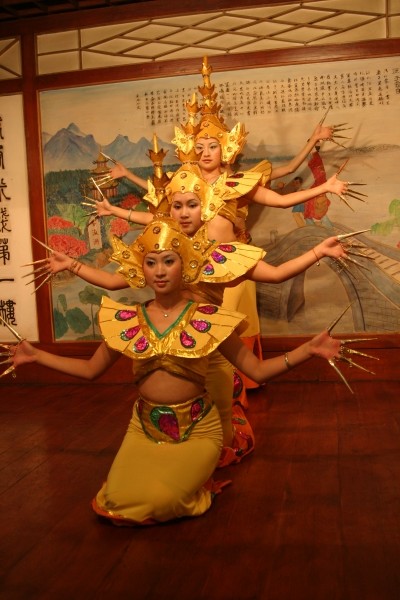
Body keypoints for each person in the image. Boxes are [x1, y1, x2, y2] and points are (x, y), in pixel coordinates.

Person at [3, 218, 354, 527]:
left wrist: (307, 350)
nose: (159, 271)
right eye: (151, 262)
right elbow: (90, 369)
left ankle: (199, 485)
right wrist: (36, 355)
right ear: (141, 269)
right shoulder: (128, 319)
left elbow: (257, 371)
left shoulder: (207, 318)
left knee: (163, 501)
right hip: (144, 429)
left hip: (198, 431)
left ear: (183, 265)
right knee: (115, 500)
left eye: (168, 261)